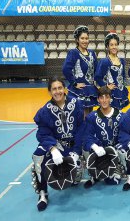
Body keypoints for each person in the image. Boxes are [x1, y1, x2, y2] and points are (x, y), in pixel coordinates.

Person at [31, 77, 85, 211]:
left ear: (64, 89)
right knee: (38, 156)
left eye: (60, 88)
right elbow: (42, 134)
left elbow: (81, 128)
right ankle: (43, 193)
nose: (57, 91)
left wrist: (77, 151)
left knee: (75, 179)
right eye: (54, 89)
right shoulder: (45, 111)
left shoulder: (76, 104)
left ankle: (76, 170)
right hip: (57, 145)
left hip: (73, 146)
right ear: (49, 92)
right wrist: (53, 149)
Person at [82, 86, 125, 189]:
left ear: (111, 98)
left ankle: (117, 167)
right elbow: (87, 136)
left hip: (114, 152)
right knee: (85, 147)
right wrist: (94, 146)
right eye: (101, 97)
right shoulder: (92, 117)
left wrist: (118, 148)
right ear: (98, 99)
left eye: (107, 97)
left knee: (111, 181)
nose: (104, 100)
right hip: (99, 152)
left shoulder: (120, 116)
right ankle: (94, 174)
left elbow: (124, 135)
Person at [63, 25, 98, 117]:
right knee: (80, 116)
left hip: (90, 89)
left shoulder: (92, 53)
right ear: (77, 39)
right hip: (79, 90)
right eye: (82, 38)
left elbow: (97, 70)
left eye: (86, 38)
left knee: (89, 115)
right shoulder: (73, 53)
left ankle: (87, 131)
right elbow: (65, 69)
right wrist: (74, 83)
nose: (85, 41)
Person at [95, 33, 129, 110]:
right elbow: (97, 77)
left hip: (120, 92)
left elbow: (123, 76)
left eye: (116, 45)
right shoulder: (104, 61)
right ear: (107, 46)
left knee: (119, 115)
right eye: (111, 45)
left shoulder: (122, 61)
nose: (114, 47)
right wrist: (106, 87)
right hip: (110, 94)